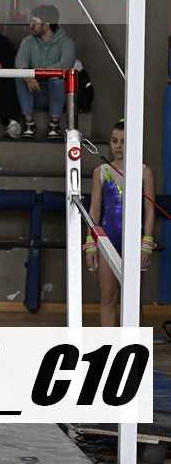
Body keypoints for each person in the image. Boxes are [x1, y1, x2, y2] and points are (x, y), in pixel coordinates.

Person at [85, 121, 155, 327]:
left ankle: (133, 343)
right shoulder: (101, 171)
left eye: (124, 141)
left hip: (134, 242)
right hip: (108, 241)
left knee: (132, 299)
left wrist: (147, 243)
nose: (118, 146)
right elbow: (94, 211)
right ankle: (109, 344)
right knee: (108, 296)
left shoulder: (144, 172)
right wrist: (90, 244)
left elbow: (150, 210)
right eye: (114, 141)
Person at [15, 4, 76, 139]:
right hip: (34, 92)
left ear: (47, 23)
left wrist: (38, 73)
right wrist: (28, 77)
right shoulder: (28, 41)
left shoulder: (66, 42)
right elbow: (20, 63)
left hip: (56, 95)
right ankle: (29, 123)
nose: (31, 25)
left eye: (34, 22)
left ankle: (54, 125)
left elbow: (65, 65)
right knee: (20, 77)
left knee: (57, 79)